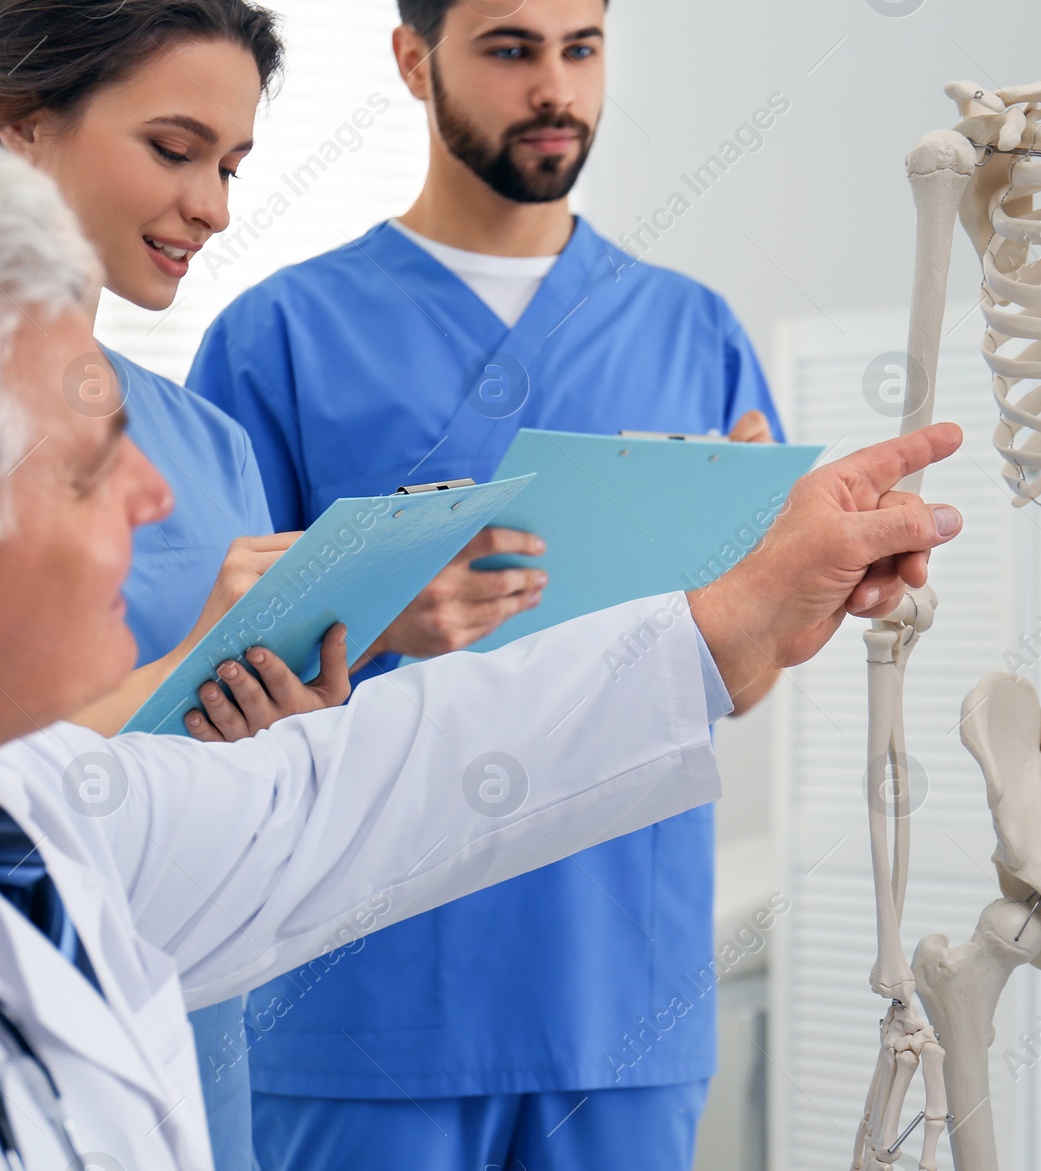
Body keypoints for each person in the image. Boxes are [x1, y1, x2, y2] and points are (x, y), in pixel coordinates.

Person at [0, 119, 962, 1171]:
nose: (158, 496)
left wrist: (738, 611)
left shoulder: (37, 813)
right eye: (88, 472)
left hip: (611, 981)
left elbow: (358, 787)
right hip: (375, 1036)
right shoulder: (286, 330)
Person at [186, 3, 789, 1165]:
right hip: (358, 999)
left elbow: (741, 682)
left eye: (582, 47)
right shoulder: (278, 336)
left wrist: (777, 593)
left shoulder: (692, 331)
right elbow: (195, 680)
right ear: (415, 61)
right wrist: (373, 615)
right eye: (510, 49)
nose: (554, 87)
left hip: (618, 989)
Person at [0, 3, 347, 1167]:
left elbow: (250, 799)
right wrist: (181, 668)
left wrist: (290, 719)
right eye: (174, 148)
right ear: (25, 129)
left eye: (234, 165)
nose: (214, 205)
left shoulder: (210, 447)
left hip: (187, 1041)